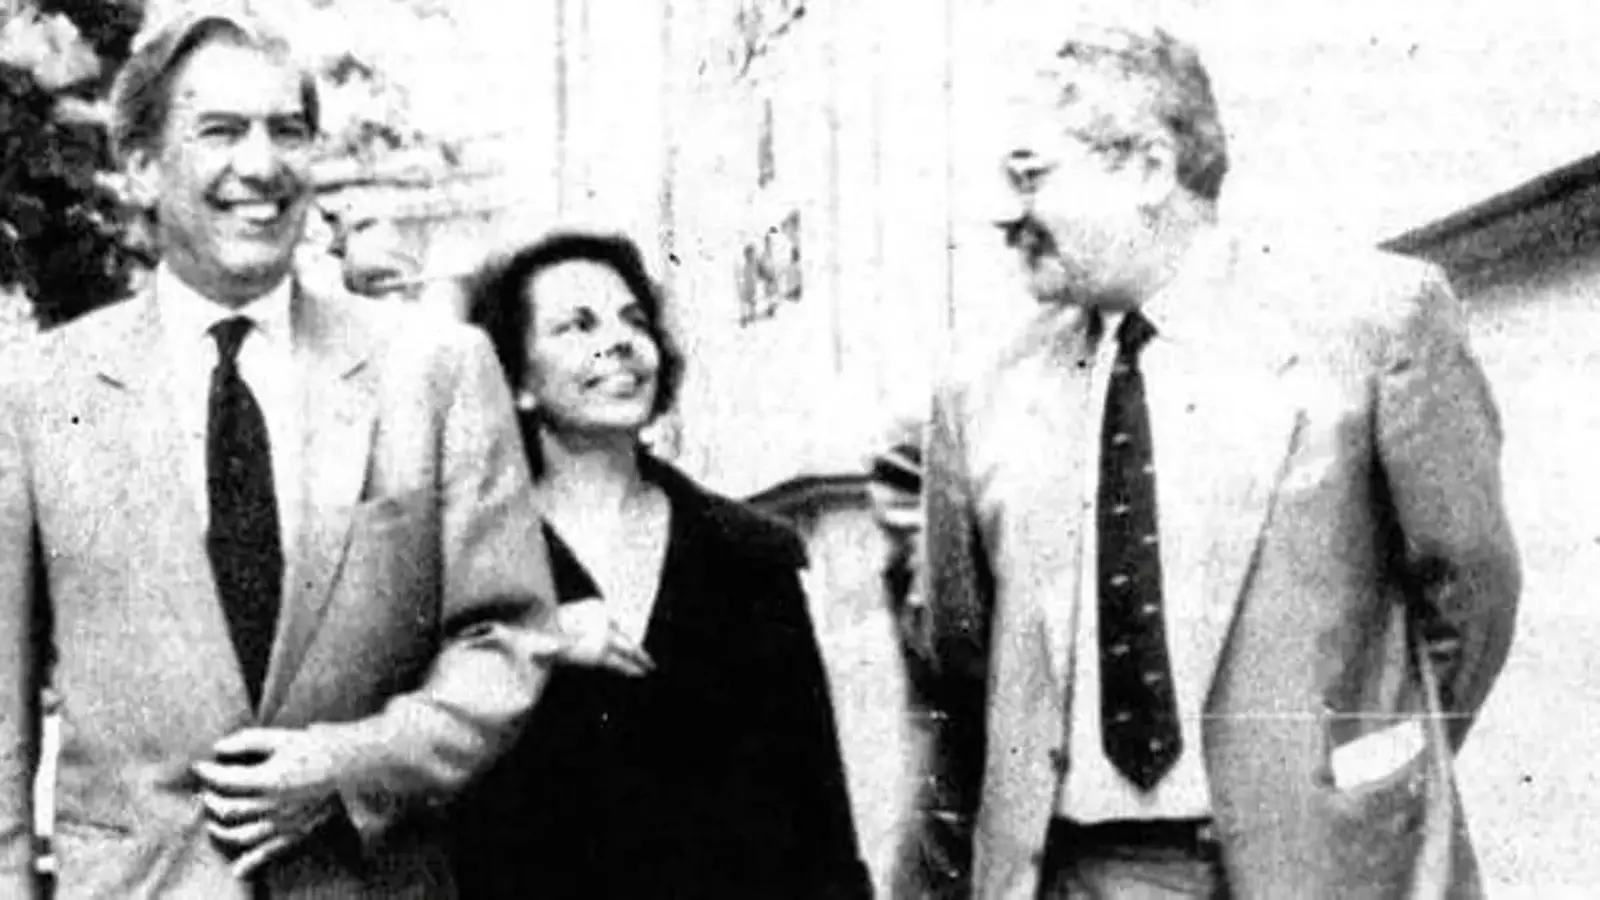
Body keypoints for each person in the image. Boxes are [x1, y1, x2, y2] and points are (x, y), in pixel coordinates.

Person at [896, 18, 1522, 899]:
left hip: (1333, 867)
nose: (1005, 214)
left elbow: (1472, 590)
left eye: (1030, 175)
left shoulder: (1373, 326)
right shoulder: (980, 392)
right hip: (1077, 875)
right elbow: (963, 657)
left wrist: (1353, 780)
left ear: (1149, 168)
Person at [0, 11, 560, 898]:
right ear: (141, 168)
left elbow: (507, 637)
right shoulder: (35, 395)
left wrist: (351, 764)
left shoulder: (436, 370)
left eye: (287, 132)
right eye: (220, 131)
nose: (261, 166)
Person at [451, 231, 873, 899]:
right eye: (577, 325)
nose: (618, 342)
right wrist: (536, 640)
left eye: (634, 321)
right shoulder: (470, 558)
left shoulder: (748, 556)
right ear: (518, 381)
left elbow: (815, 816)